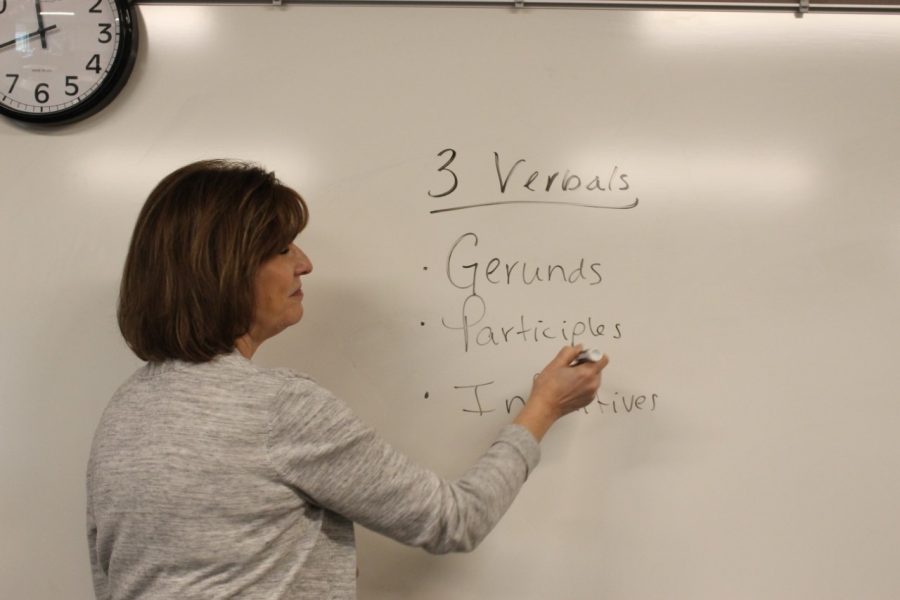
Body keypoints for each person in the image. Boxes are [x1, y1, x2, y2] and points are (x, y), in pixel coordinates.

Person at [86, 159, 609, 600]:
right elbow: (455, 520)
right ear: (227, 269)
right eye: (282, 248)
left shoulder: (126, 409)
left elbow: (115, 580)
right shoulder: (277, 409)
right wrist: (543, 408)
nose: (305, 264)